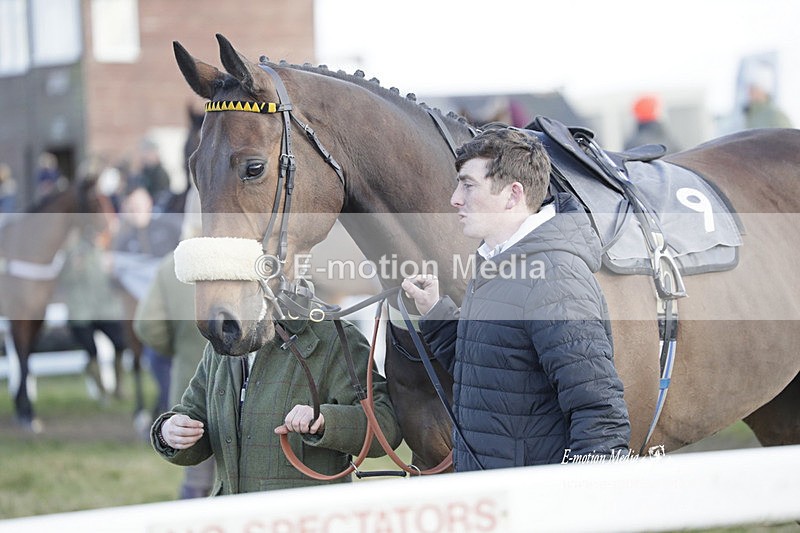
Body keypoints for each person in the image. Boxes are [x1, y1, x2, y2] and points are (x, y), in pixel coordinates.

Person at [402, 126, 631, 471]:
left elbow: (599, 411)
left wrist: (584, 499)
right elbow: (484, 368)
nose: (455, 199)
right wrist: (434, 310)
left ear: (512, 195)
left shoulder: (554, 279)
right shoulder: (498, 264)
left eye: (468, 185)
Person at [149, 312, 402, 493]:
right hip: (231, 519)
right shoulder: (223, 339)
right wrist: (170, 432)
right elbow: (193, 415)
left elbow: (385, 428)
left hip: (304, 521)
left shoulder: (334, 337)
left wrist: (325, 421)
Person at [133, 187, 215, 499]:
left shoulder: (173, 265)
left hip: (189, 387)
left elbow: (147, 324)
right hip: (248, 391)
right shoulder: (252, 263)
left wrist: (176, 350)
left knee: (196, 482)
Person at [743, 63, 792, 129]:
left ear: (764, 90)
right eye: (748, 88)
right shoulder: (748, 114)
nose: (749, 92)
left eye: (753, 88)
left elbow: (788, 138)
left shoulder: (776, 116)